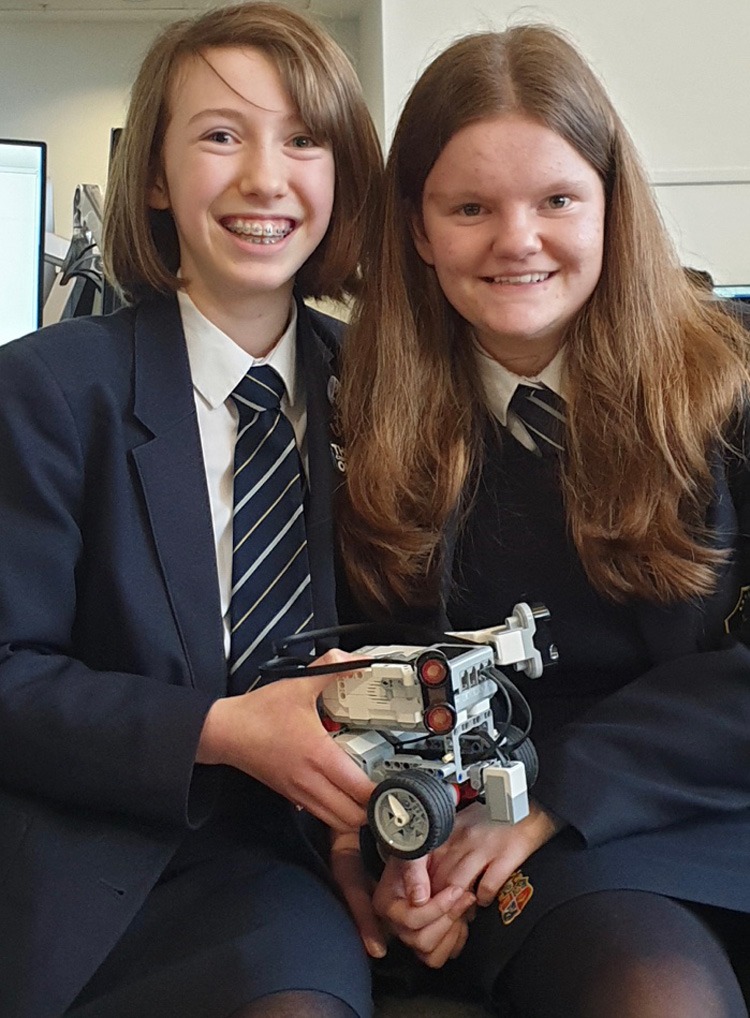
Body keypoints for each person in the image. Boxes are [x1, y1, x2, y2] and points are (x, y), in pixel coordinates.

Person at [334, 24, 750, 1018]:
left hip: (710, 787)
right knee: (654, 998)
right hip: (525, 845)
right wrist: (405, 855)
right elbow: (358, 679)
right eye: (470, 206)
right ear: (419, 229)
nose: (517, 239)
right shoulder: (357, 416)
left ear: (613, 206)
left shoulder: (727, 385)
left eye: (558, 199)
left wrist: (567, 783)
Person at [0, 4, 382, 1017]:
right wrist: (219, 729)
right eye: (221, 135)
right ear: (157, 177)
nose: (266, 177)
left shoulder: (386, 396)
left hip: (316, 857)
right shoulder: (46, 392)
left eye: (304, 139)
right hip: (101, 851)